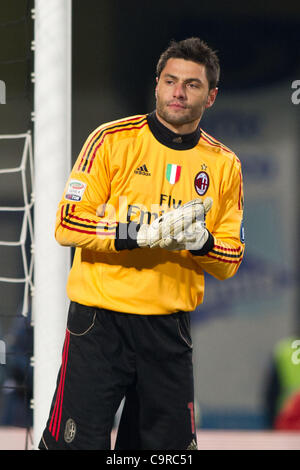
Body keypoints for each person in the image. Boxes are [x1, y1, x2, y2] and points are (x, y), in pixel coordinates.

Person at [39, 37, 245, 450]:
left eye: (192, 84)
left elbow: (230, 258)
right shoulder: (111, 140)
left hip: (168, 331)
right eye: (170, 81)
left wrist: (200, 241)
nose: (178, 92)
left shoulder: (225, 165)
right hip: (99, 325)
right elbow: (65, 223)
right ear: (156, 86)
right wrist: (132, 234)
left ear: (212, 96)